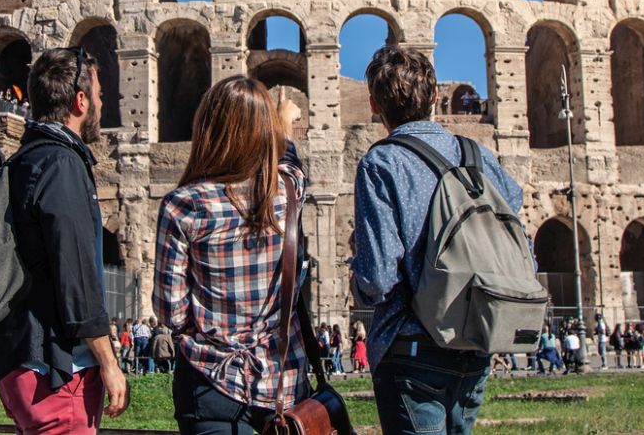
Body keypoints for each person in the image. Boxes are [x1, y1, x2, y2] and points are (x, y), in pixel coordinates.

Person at [350, 46, 525, 435]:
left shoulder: (381, 164)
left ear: (375, 105)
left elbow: (378, 278)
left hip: (411, 346)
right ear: (434, 97)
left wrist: (356, 283)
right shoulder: (478, 156)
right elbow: (518, 241)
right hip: (476, 340)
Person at [154, 77, 310, 435]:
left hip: (210, 382)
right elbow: (290, 167)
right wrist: (283, 128)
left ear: (207, 130)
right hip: (280, 382)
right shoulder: (287, 194)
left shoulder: (183, 206)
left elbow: (170, 312)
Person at [0, 47, 128, 435]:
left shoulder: (24, 158)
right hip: (56, 369)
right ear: (79, 101)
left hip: (20, 358)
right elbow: (76, 274)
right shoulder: (61, 163)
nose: (101, 102)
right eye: (98, 95)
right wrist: (109, 363)